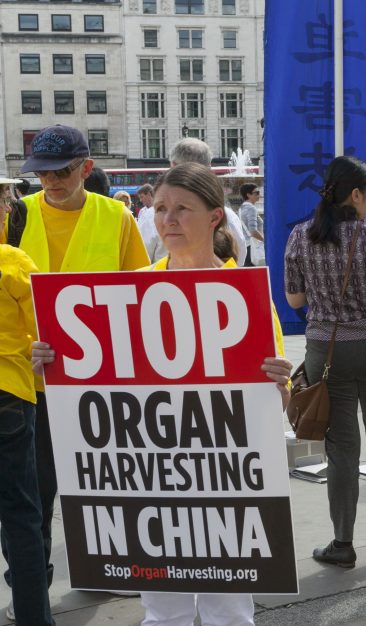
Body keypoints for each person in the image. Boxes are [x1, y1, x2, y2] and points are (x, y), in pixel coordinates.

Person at [34, 162, 293, 624]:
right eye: (160, 209)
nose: (168, 220)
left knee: (230, 612)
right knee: (162, 611)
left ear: (215, 216)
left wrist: (280, 380)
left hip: (223, 479)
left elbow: (278, 402)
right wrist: (53, 361)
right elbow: (98, 385)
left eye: (181, 209)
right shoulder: (132, 289)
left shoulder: (245, 293)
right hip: (153, 481)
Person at [9, 125, 149, 617]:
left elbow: (139, 295)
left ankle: (110, 568)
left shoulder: (116, 217)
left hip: (102, 381)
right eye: (41, 172)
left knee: (106, 484)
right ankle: (32, 582)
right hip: (35, 383)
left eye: (61, 171)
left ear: (86, 168)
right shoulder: (17, 216)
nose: (50, 181)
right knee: (37, 492)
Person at [285, 156, 366, 568]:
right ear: (356, 194)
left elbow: (295, 300)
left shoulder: (301, 237)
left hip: (327, 353)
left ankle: (342, 543)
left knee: (341, 450)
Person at [0, 184, 54, 626]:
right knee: (21, 516)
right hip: (9, 396)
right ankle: (35, 617)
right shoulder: (12, 263)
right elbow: (44, 333)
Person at [169, 138, 247, 266]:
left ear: (173, 166)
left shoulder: (153, 217)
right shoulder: (228, 216)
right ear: (209, 168)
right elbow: (239, 257)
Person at [136, 183, 166, 263]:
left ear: (149, 194)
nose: (140, 200)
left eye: (142, 197)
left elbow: (144, 248)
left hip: (156, 269)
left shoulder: (148, 215)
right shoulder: (144, 212)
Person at [239, 183, 264, 267]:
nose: (259, 195)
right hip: (252, 248)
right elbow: (253, 231)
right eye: (256, 193)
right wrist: (266, 241)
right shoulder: (251, 208)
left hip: (246, 247)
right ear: (248, 195)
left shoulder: (241, 208)